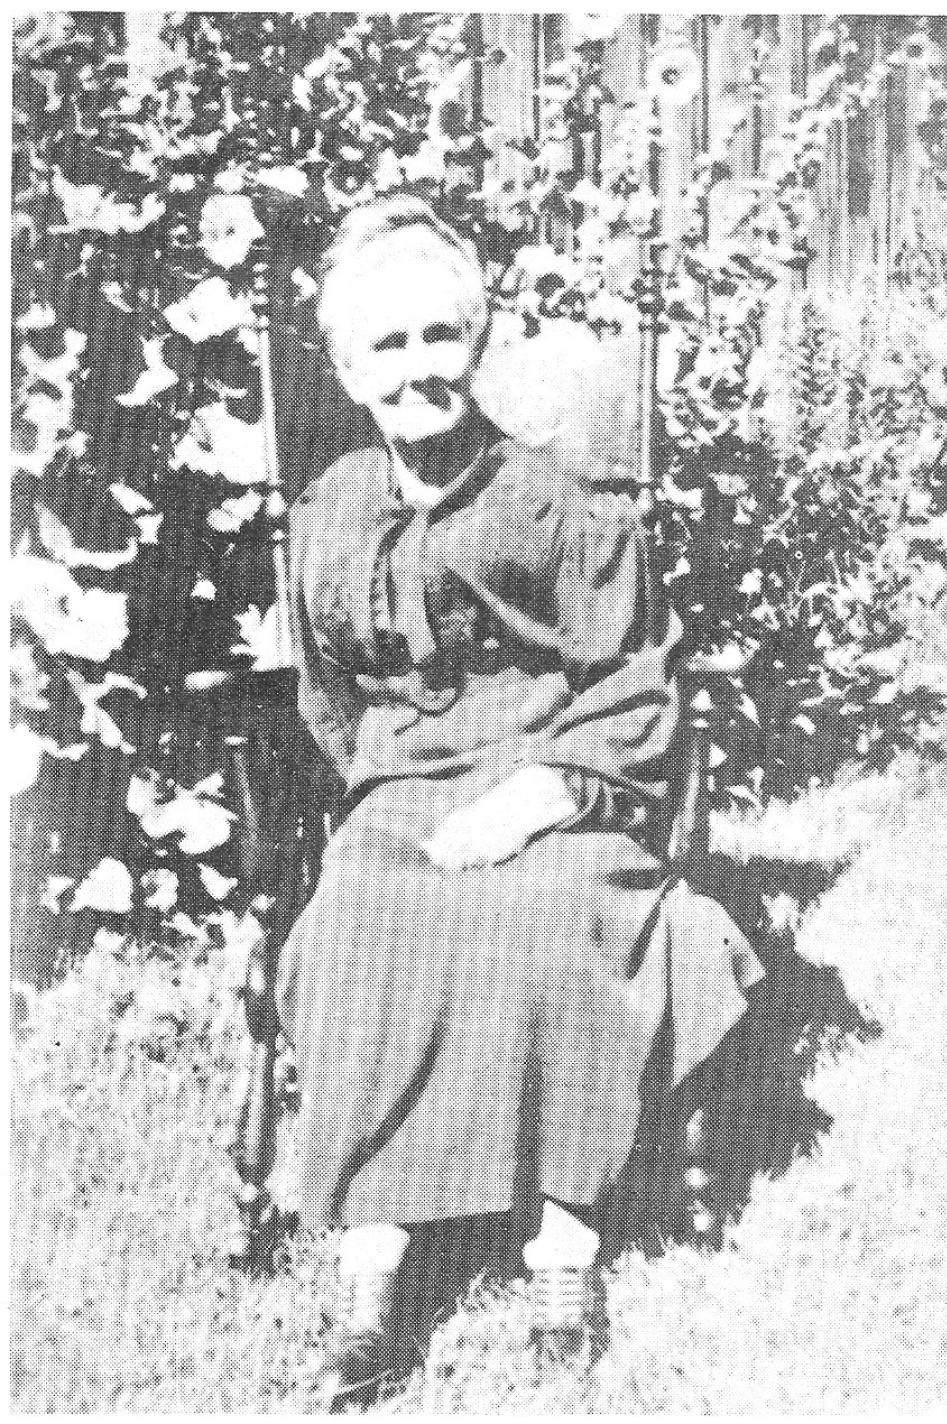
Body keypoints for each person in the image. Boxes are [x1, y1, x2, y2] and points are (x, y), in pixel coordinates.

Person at [275, 194, 763, 1402]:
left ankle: (561, 1247)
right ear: (346, 368)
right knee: (366, 913)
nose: (418, 368)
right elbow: (329, 699)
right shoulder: (327, 514)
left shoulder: (562, 501)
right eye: (386, 347)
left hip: (564, 775)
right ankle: (374, 1271)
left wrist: (540, 792)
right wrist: (395, 793)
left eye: (440, 336)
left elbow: (635, 684)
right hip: (401, 789)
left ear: (478, 340)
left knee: (548, 917)